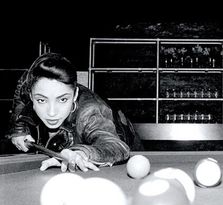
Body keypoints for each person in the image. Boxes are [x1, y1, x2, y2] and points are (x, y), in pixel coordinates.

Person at [4, 52, 143, 172]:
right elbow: (21, 89)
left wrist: (80, 153)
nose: (52, 113)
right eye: (41, 100)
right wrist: (19, 129)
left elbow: (116, 145)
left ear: (75, 95)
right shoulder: (29, 86)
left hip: (128, 146)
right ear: (31, 95)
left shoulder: (90, 111)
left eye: (63, 99)